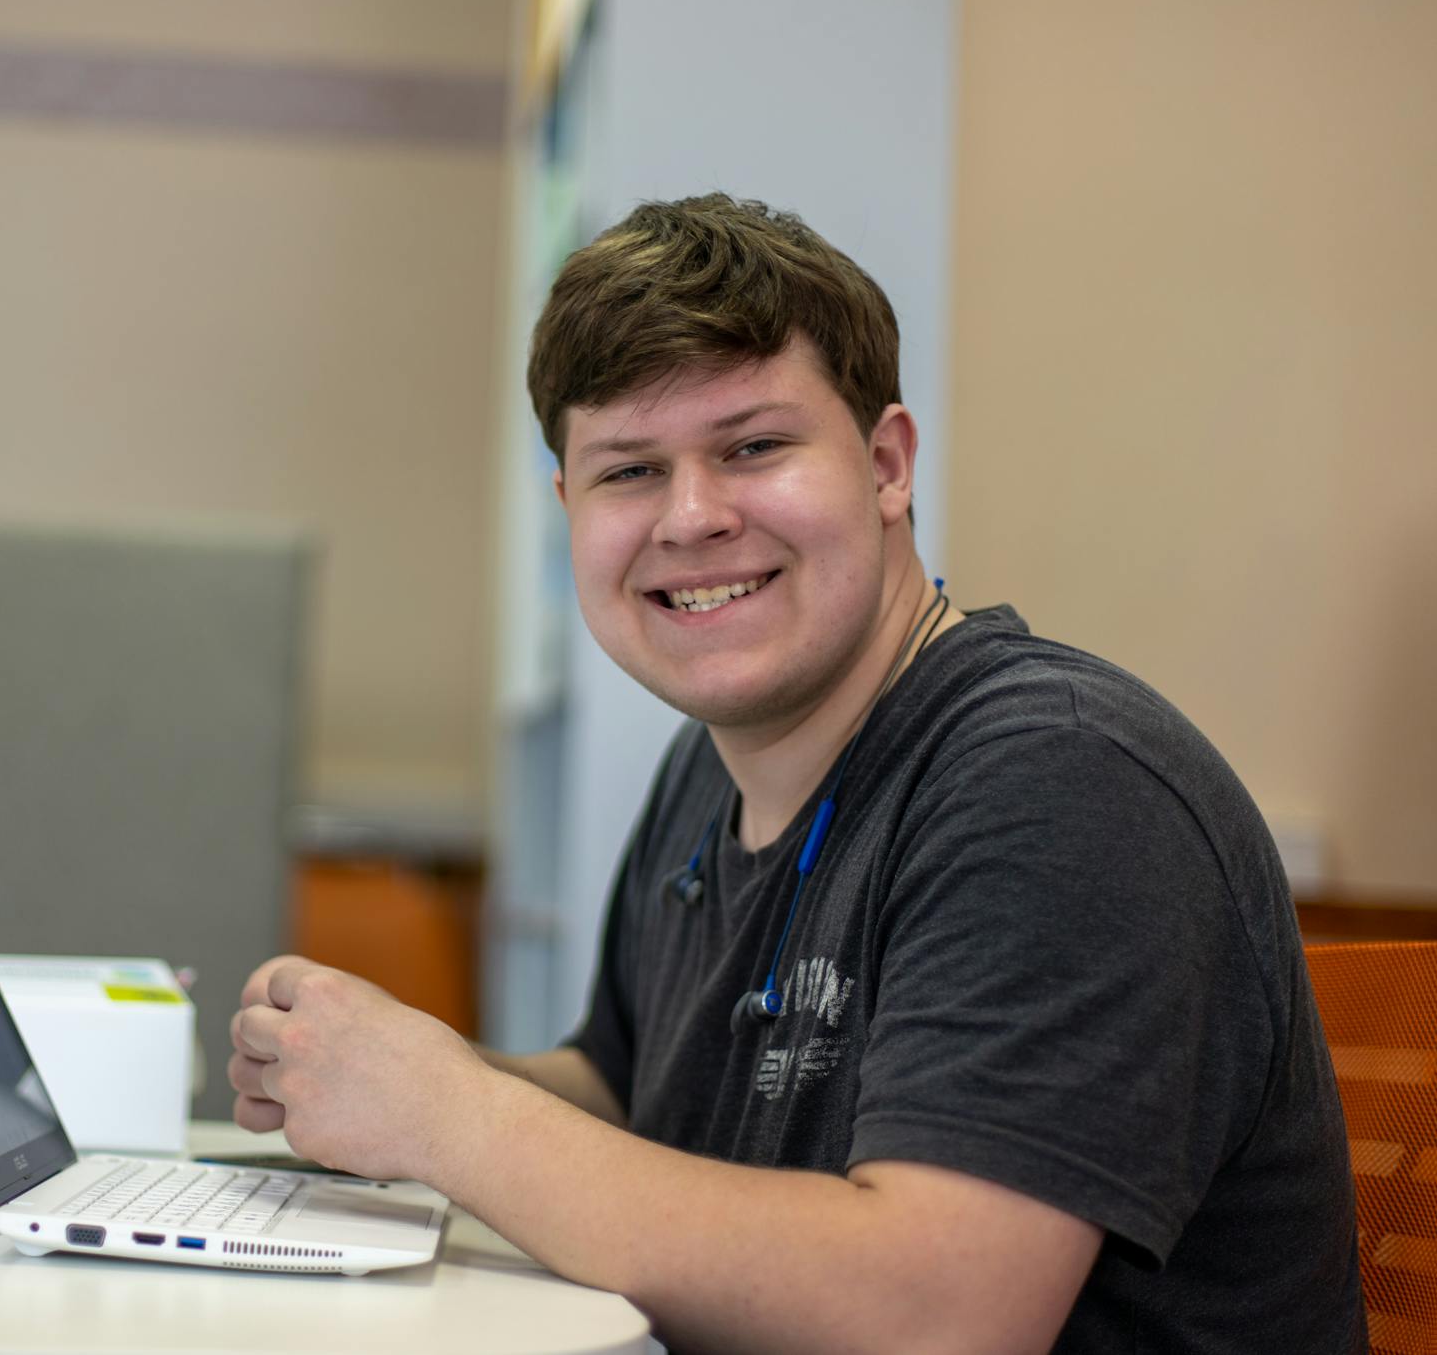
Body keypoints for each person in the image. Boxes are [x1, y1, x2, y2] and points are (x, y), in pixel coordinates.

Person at [227, 195, 1364, 1353]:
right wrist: (378, 1067)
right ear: (568, 510)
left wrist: (446, 1116)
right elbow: (627, 1096)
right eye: (627, 472)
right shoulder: (706, 772)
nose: (689, 517)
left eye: (752, 448)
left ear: (883, 464)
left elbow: (936, 1316)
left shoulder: (1059, 782)